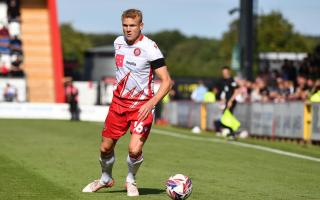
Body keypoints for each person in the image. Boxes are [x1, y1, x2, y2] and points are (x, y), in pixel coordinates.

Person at [82, 9, 172, 197]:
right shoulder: (118, 42)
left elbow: (167, 81)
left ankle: (131, 180)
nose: (128, 29)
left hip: (142, 106)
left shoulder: (150, 48)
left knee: (134, 148)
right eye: (125, 25)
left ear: (141, 26)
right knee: (105, 147)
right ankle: (105, 179)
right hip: (118, 104)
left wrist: (151, 103)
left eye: (132, 25)